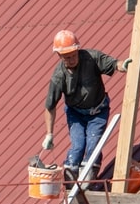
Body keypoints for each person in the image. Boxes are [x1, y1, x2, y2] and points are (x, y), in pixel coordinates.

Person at [42, 30, 131, 183]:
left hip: (98, 111)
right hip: (75, 114)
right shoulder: (59, 76)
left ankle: (89, 175)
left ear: (77, 50)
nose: (71, 60)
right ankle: (71, 177)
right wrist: (49, 134)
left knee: (93, 143)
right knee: (78, 146)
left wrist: (123, 65)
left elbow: (114, 64)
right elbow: (50, 106)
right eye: (66, 57)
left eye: (73, 55)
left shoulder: (91, 58)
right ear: (59, 56)